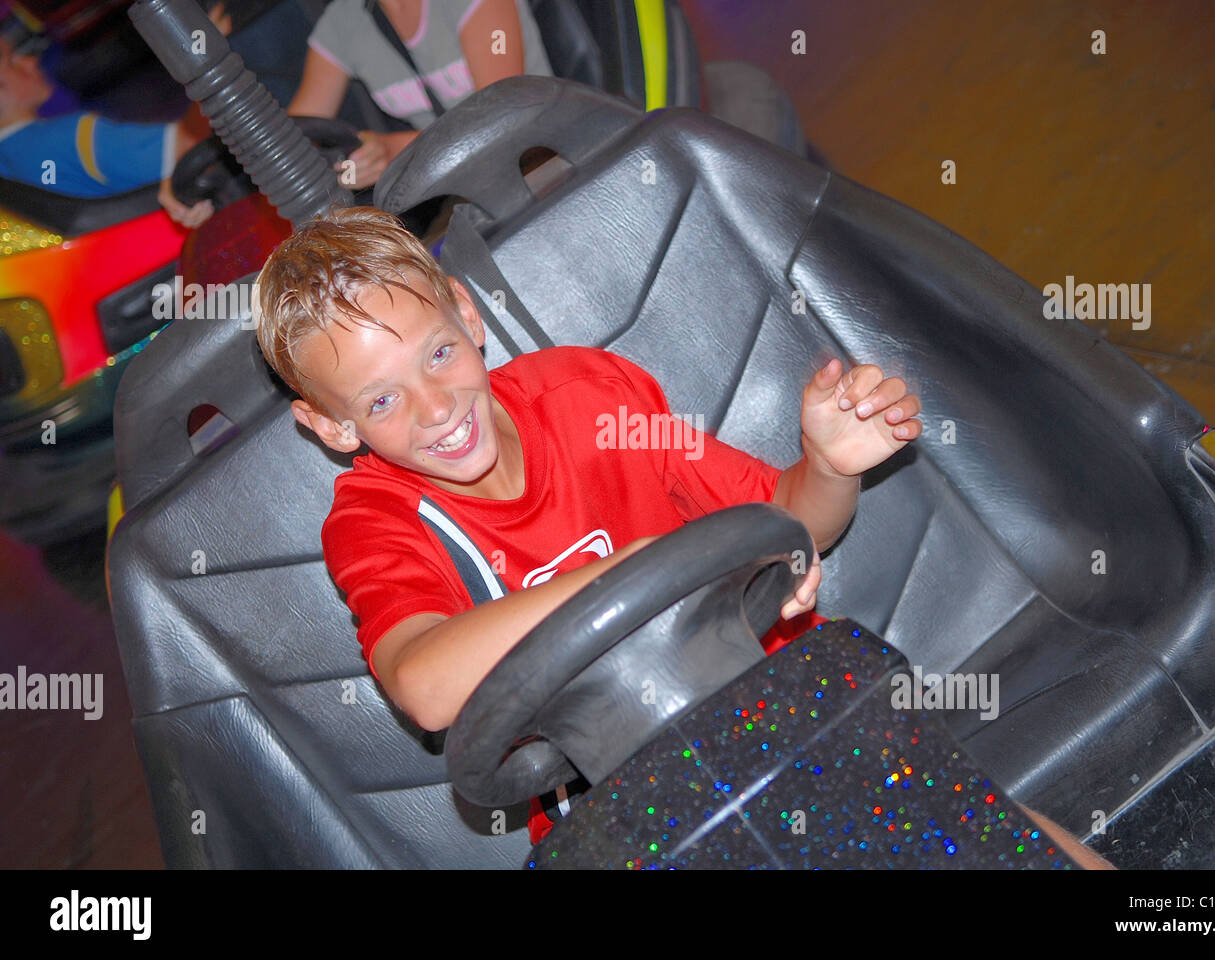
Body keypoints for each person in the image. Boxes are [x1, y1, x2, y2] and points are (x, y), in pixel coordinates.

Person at [251, 206, 923, 840]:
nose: (434, 409)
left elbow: (787, 518)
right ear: (335, 427)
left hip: (773, 704)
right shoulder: (374, 521)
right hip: (619, 803)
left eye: (438, 355)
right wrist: (637, 567)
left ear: (467, 314)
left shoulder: (587, 395)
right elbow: (423, 688)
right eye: (383, 399)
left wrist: (830, 469)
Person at [289, 0, 553, 189]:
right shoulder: (343, 22)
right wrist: (346, 170)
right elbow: (288, 139)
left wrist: (393, 152)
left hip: (543, 158)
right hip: (457, 189)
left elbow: (497, 122)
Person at [0, 30, 214, 226]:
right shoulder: (67, 138)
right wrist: (208, 59)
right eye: (11, 62)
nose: (31, 62)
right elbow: (188, 147)